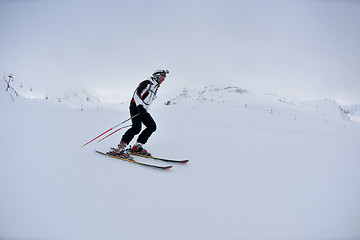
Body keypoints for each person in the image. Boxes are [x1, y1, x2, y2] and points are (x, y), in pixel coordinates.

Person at [114, 69, 169, 159]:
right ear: (156, 76)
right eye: (162, 77)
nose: (163, 80)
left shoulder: (155, 87)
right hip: (135, 107)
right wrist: (140, 106)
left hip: (143, 109)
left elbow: (148, 100)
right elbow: (136, 94)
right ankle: (120, 148)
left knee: (152, 126)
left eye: (164, 78)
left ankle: (137, 146)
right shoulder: (147, 83)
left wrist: (145, 109)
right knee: (136, 128)